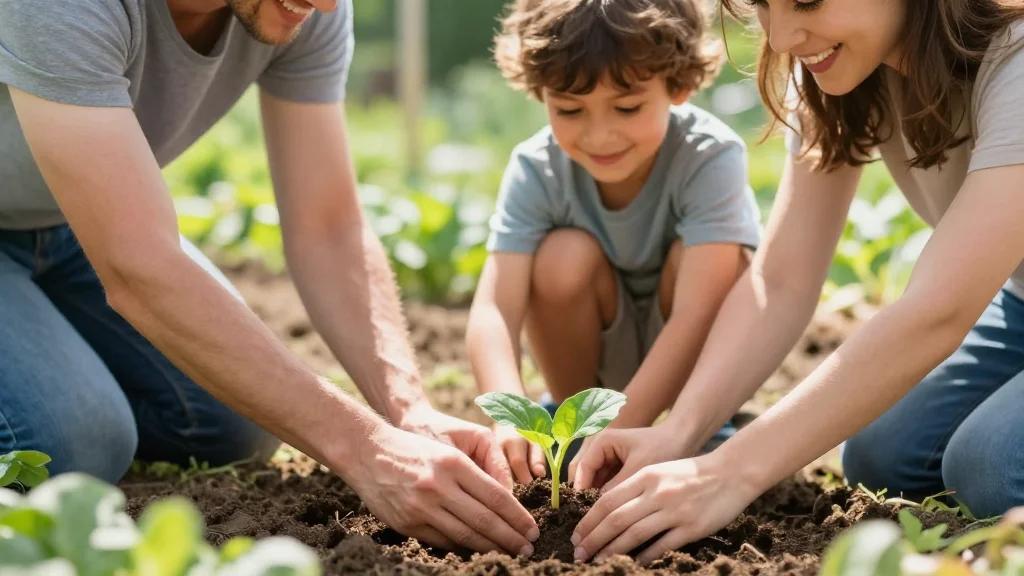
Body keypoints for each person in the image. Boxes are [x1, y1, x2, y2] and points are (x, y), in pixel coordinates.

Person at [0, 0, 540, 556]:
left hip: (68, 219)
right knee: (71, 442)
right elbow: (138, 266)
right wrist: (365, 449)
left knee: (231, 421)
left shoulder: (305, 7)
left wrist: (407, 414)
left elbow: (327, 228)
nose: (328, 5)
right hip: (68, 230)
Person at [567, 0, 1024, 564]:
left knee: (991, 466)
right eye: (763, 5)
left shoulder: (1017, 60)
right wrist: (680, 433)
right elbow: (781, 280)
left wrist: (728, 472)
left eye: (806, 1)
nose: (781, 38)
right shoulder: (846, 67)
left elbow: (940, 309)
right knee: (886, 456)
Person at [467, 0, 761, 484]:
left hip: (691, 360)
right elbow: (493, 309)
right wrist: (508, 413)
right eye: (568, 109)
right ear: (541, 94)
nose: (599, 134)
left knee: (721, 262)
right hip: (595, 358)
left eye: (627, 107)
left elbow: (698, 314)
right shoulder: (536, 168)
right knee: (561, 257)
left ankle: (701, 426)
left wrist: (628, 425)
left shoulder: (710, 156)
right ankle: (577, 425)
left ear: (679, 85)